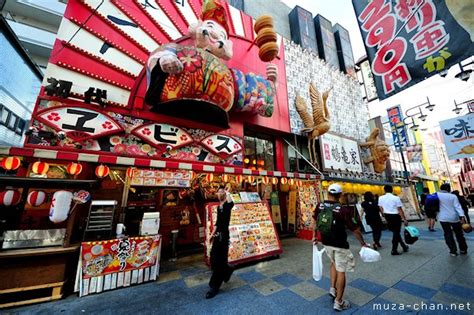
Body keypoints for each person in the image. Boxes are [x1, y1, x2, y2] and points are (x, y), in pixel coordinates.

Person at [313, 183, 369, 311]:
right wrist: (362, 243)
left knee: (333, 263)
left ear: (328, 193)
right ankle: (339, 302)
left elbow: (314, 221)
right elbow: (355, 229)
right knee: (341, 270)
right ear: (339, 195)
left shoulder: (320, 205)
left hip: (325, 243)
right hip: (340, 245)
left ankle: (333, 289)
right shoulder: (343, 210)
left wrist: (314, 236)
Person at [206, 186, 234, 299]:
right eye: (218, 192)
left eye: (221, 191)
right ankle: (227, 270)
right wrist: (211, 235)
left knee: (219, 261)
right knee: (213, 258)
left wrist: (227, 192)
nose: (219, 193)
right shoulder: (219, 207)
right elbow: (217, 223)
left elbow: (231, 202)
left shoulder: (227, 205)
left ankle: (215, 287)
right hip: (218, 236)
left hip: (224, 235)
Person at [378, 185, 409, 255]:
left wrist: (383, 214)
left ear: (384, 190)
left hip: (387, 216)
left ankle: (404, 246)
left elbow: (380, 207)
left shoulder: (380, 198)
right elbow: (399, 209)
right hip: (395, 216)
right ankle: (394, 250)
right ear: (392, 190)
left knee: (395, 232)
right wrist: (404, 219)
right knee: (396, 232)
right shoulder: (396, 198)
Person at [438, 184, 468, 256]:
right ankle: (463, 249)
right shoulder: (453, 196)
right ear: (448, 188)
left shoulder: (437, 195)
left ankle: (453, 251)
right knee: (459, 234)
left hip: (443, 218)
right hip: (454, 218)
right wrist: (462, 216)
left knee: (448, 234)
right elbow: (457, 207)